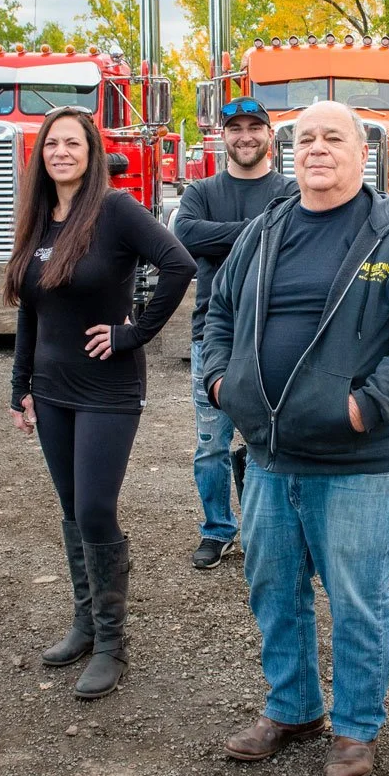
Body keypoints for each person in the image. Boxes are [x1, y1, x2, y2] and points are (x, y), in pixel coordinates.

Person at [202, 101, 389, 776]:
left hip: (357, 460)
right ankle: (292, 708)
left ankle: (354, 728)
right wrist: (222, 382)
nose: (316, 148)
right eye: (305, 138)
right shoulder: (266, 228)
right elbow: (219, 310)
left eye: (331, 137)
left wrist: (366, 406)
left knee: (356, 595)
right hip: (269, 452)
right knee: (273, 588)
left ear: (362, 150)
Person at [6, 107, 196, 698]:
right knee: (71, 510)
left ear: (91, 152)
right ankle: (85, 624)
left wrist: (133, 331)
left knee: (94, 508)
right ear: (41, 156)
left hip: (108, 388)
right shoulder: (39, 218)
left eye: (73, 143)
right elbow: (30, 310)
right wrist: (20, 386)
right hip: (52, 387)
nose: (61, 152)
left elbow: (179, 263)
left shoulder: (114, 211)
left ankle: (113, 644)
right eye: (51, 144)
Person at [171, 97, 296, 569]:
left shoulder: (291, 188)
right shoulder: (201, 190)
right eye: (234, 128)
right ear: (222, 136)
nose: (245, 135)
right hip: (214, 336)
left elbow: (294, 241)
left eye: (253, 127)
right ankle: (217, 529)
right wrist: (260, 230)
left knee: (274, 438)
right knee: (211, 444)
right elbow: (186, 236)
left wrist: (222, 235)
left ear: (269, 135)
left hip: (277, 336)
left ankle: (268, 528)